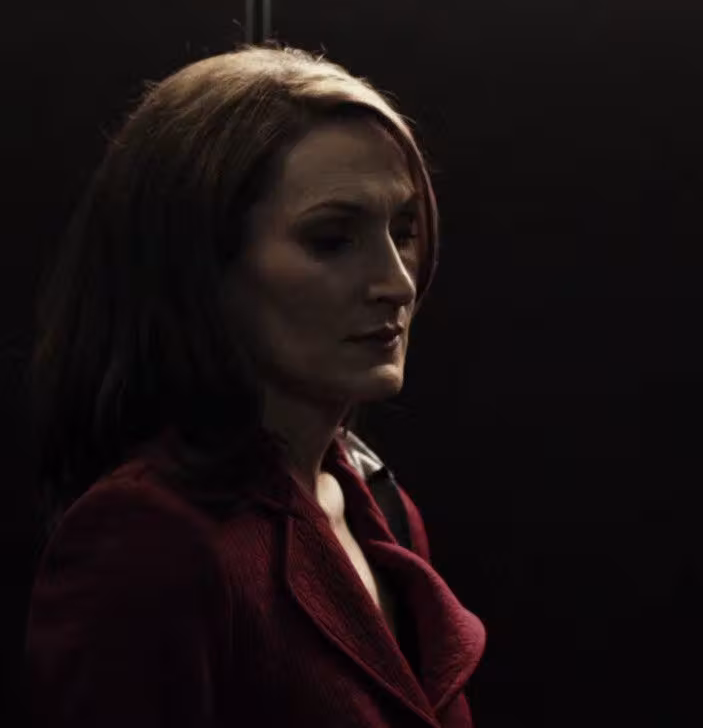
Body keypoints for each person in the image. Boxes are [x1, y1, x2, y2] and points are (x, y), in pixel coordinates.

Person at [25, 46, 485, 727]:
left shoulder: (378, 502)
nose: (396, 282)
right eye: (332, 239)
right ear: (200, 266)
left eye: (404, 231)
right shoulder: (147, 539)